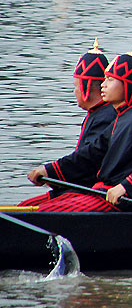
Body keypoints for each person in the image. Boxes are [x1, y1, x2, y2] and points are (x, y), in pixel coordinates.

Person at [32, 44, 132, 212]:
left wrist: (125, 187)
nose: (103, 85)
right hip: (103, 193)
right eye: (104, 79)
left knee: (46, 213)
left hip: (123, 203)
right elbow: (92, 153)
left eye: (110, 80)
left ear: (126, 85)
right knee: (31, 208)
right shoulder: (122, 117)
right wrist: (50, 170)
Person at [20, 40, 114, 206]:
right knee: (24, 207)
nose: (74, 91)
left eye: (76, 86)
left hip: (92, 192)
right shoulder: (98, 113)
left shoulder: (106, 116)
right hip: (80, 188)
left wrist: (50, 171)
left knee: (30, 212)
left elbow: (88, 159)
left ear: (86, 87)